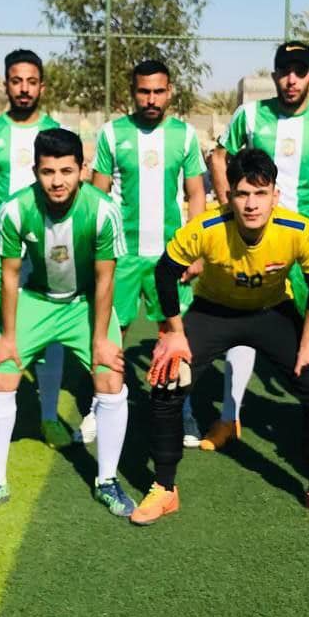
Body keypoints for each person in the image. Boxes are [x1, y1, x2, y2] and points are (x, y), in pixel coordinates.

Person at [130, 148, 309, 528]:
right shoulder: (207, 227)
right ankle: (164, 488)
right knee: (167, 382)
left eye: (260, 193)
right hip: (214, 311)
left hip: (271, 312)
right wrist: (175, 334)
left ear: (275, 196)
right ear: (228, 195)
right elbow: (165, 272)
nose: (251, 204)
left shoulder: (297, 230)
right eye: (243, 194)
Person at [0, 129, 135, 519]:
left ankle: (107, 480)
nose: (57, 181)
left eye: (67, 171)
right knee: (1, 373)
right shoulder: (16, 208)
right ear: (35, 170)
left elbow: (105, 278)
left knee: (110, 376)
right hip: (35, 299)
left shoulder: (103, 209)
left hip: (84, 303)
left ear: (82, 169)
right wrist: (7, 336)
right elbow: (9, 274)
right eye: (48, 171)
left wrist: (101, 339)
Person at [205, 40, 309, 450]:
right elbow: (219, 156)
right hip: (252, 243)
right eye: (284, 71)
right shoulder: (250, 115)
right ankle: (229, 418)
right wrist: (228, 205)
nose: (291, 79)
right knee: (240, 328)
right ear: (275, 75)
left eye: (299, 71)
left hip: (305, 247)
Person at [89, 59, 207, 447]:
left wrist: (195, 250)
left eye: (158, 91)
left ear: (169, 92)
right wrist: (97, 251)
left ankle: (182, 410)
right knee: (111, 332)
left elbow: (195, 194)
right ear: (133, 93)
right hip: (121, 255)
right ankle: (99, 404)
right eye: (144, 91)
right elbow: (97, 197)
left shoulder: (185, 136)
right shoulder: (112, 134)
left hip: (170, 257)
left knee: (173, 333)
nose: (151, 99)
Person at [0, 50, 68, 448]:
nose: (24, 89)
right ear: (6, 84)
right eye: (17, 81)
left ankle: (49, 416)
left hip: (47, 253)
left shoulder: (57, 132)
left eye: (31, 81)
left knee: (52, 333)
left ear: (42, 86)